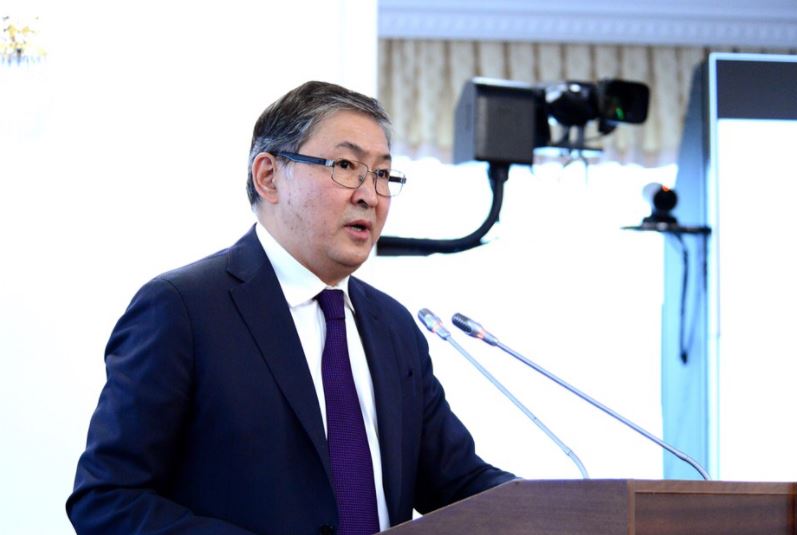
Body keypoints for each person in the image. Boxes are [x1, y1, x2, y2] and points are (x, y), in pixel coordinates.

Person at [66, 81, 515, 535]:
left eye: (382, 174)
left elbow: (458, 481)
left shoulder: (393, 326)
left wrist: (551, 505)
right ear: (269, 176)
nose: (370, 195)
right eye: (345, 166)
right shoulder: (182, 310)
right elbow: (108, 499)